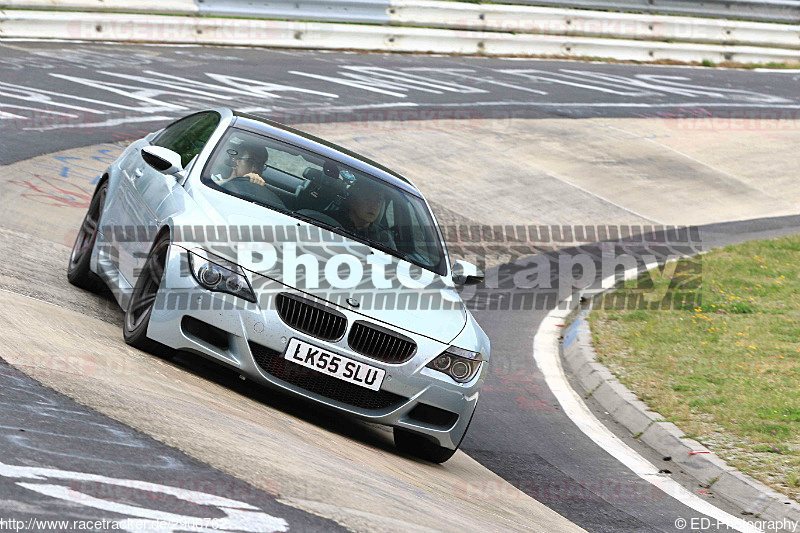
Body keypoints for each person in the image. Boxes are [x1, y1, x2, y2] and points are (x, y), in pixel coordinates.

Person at [331, 179, 395, 247]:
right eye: (368, 200)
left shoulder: (383, 239)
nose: (373, 206)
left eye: (378, 201)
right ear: (352, 200)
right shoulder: (330, 221)